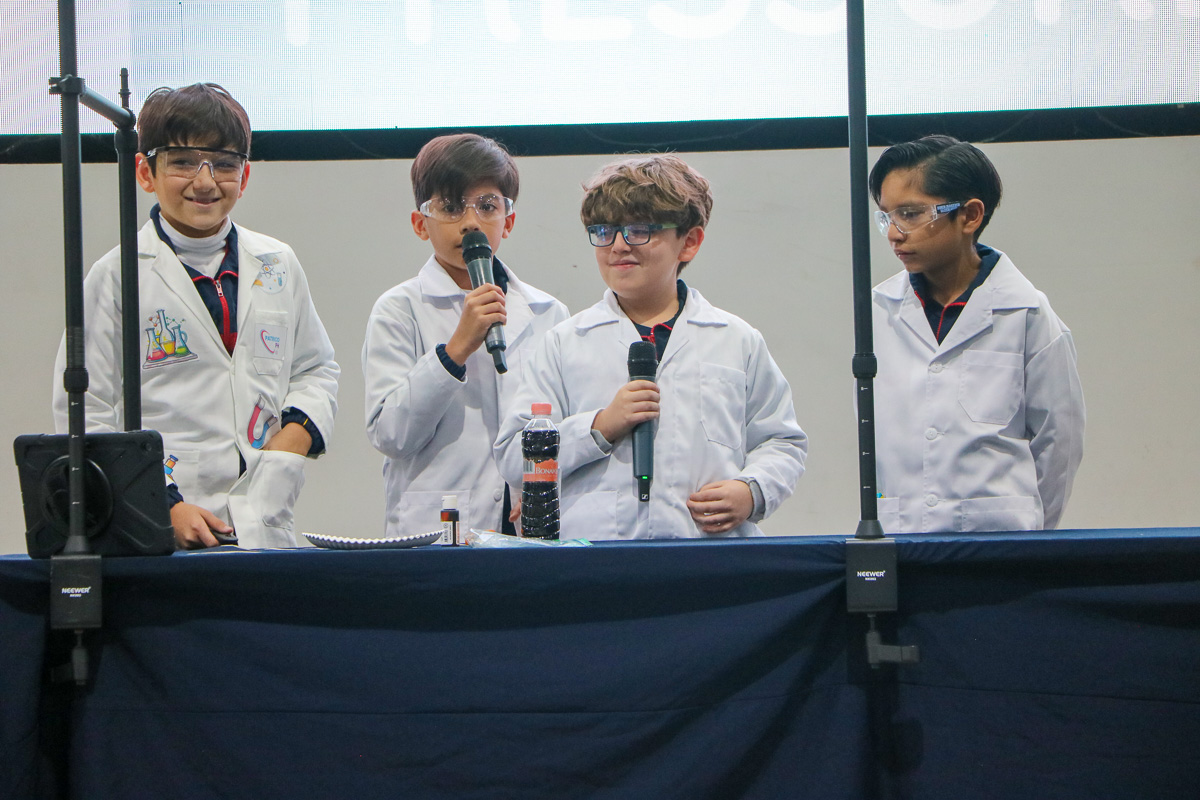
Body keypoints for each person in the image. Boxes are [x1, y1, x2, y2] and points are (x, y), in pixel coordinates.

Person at [51, 83, 340, 549]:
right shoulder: (117, 276)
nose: (205, 181)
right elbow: (89, 412)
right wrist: (161, 505)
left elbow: (317, 368)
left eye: (224, 164)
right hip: (162, 529)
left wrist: (295, 437)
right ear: (144, 172)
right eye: (183, 162)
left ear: (244, 176)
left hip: (263, 520)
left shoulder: (277, 262)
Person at [494, 154, 807, 539]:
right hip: (597, 554)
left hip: (709, 552)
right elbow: (513, 456)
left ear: (688, 242)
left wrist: (752, 491)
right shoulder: (565, 343)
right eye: (604, 231)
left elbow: (782, 441)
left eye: (639, 230)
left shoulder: (735, 340)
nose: (618, 246)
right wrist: (599, 426)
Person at [868, 134, 1084, 533]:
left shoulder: (1026, 313)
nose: (894, 233)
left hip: (999, 538)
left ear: (970, 216)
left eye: (911, 214)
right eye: (886, 216)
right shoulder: (879, 312)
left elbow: (1059, 446)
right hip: (902, 532)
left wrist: (1033, 533)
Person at [363, 133, 569, 538]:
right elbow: (391, 434)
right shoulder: (399, 309)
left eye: (487, 206)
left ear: (508, 221)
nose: (471, 221)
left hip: (529, 522)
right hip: (439, 527)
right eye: (452, 207)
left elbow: (564, 423)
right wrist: (455, 349)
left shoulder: (549, 313)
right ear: (421, 224)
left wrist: (548, 480)